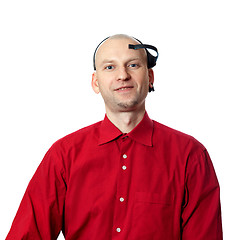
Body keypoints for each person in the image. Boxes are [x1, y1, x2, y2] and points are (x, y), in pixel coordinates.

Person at [6, 34, 223, 239]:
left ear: (150, 77)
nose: (122, 75)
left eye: (133, 65)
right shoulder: (63, 156)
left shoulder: (190, 156)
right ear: (96, 82)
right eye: (110, 67)